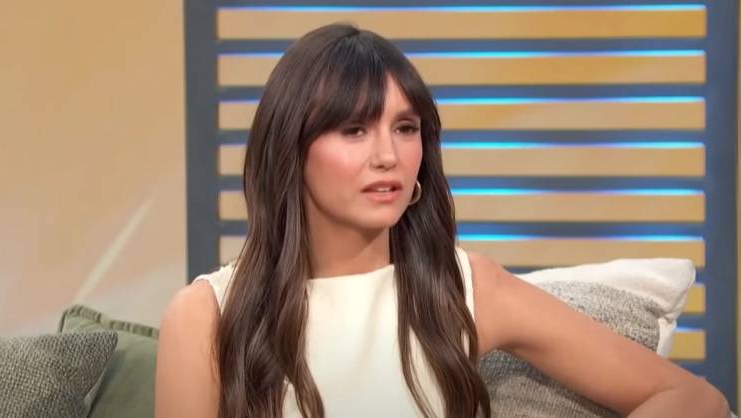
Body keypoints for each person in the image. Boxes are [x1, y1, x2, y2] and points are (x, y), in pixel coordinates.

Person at [155, 23, 729, 418]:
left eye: (405, 128)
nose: (388, 155)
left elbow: (693, 400)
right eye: (354, 130)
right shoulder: (206, 315)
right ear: (291, 148)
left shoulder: (463, 288)